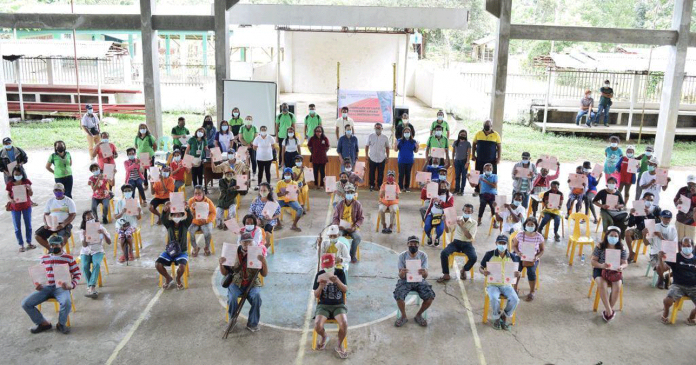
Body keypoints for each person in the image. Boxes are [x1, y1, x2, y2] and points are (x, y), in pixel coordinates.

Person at [21, 235, 80, 335]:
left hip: (61, 287)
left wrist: (71, 285)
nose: (54, 247)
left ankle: (61, 324)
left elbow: (77, 274)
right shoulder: (44, 258)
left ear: (62, 245)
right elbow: (40, 274)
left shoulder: (68, 258)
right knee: (26, 303)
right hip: (46, 287)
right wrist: (38, 284)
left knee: (66, 302)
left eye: (56, 245)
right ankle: (43, 323)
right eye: (52, 245)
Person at [219, 232, 268, 332]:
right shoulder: (232, 252)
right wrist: (221, 264)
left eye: (249, 242)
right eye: (244, 242)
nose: (247, 244)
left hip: (252, 283)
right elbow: (224, 273)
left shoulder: (257, 253)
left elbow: (264, 274)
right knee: (232, 298)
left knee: (257, 297)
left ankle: (252, 324)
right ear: (240, 242)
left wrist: (264, 262)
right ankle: (232, 322)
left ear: (252, 242)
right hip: (236, 282)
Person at [480, 235, 521, 330]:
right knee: (494, 298)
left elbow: (517, 272)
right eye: (500, 243)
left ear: (507, 244)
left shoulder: (512, 257)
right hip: (492, 284)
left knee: (515, 299)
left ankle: (505, 315)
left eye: (504, 243)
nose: (502, 245)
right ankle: (496, 317)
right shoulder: (489, 254)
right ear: (496, 243)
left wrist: (517, 274)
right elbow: (481, 267)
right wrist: (483, 272)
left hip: (506, 284)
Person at [394, 236, 435, 327]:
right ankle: (404, 316)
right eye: (411, 244)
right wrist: (402, 272)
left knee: (430, 296)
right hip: (405, 280)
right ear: (408, 244)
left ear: (418, 245)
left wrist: (424, 272)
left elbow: (426, 276)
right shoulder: (402, 256)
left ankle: (418, 315)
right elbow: (400, 276)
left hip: (419, 280)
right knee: (398, 295)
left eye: (415, 244)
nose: (413, 246)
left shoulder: (423, 255)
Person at [313, 253, 348, 358]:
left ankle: (339, 345)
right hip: (324, 305)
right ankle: (324, 337)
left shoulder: (340, 273)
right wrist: (320, 286)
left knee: (344, 324)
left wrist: (337, 281)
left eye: (330, 266)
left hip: (338, 305)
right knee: (317, 325)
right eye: (326, 267)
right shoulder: (320, 274)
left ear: (334, 264)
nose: (328, 268)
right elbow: (316, 294)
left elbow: (345, 290)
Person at [591, 226, 628, 322]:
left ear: (619, 237)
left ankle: (608, 311)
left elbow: (625, 263)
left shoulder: (621, 247)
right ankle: (609, 311)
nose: (613, 237)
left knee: (617, 287)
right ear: (607, 235)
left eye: (616, 236)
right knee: (602, 285)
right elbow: (593, 261)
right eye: (611, 235)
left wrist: (621, 267)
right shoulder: (600, 246)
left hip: (615, 270)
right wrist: (602, 265)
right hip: (600, 268)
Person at [657, 237, 696, 325]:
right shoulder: (675, 257)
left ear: (693, 246)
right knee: (667, 301)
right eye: (684, 246)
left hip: (693, 286)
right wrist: (660, 259)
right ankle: (665, 313)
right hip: (678, 285)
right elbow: (663, 269)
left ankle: (692, 316)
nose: (686, 247)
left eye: (688, 245)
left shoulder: (695, 259)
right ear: (681, 246)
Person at [437, 204, 478, 282]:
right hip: (456, 243)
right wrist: (445, 221)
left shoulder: (474, 223)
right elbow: (447, 230)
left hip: (467, 244)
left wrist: (462, 226)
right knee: (444, 253)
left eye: (469, 211)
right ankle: (446, 274)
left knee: (473, 257)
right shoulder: (457, 219)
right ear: (463, 210)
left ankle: (464, 270)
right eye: (465, 211)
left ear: (472, 212)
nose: (466, 212)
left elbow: (469, 236)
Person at [157, 202, 192, 290]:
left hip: (182, 251)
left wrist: (187, 208)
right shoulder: (169, 224)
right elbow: (163, 218)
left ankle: (178, 278)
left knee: (182, 266)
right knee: (158, 264)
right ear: (171, 216)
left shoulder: (185, 224)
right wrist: (165, 210)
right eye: (174, 215)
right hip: (169, 251)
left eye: (179, 214)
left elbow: (190, 217)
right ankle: (168, 278)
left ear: (182, 215)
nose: (176, 216)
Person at [78, 210, 111, 298]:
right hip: (86, 251)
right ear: (85, 220)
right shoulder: (82, 230)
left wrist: (103, 233)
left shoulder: (100, 228)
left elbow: (109, 242)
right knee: (85, 266)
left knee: (96, 264)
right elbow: (84, 245)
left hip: (98, 250)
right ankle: (91, 288)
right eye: (88, 219)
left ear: (95, 217)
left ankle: (91, 287)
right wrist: (85, 236)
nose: (90, 220)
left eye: (91, 218)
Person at [35, 183, 76, 249]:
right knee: (37, 235)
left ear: (63, 190)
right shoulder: (50, 201)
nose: (57, 192)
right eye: (56, 190)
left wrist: (63, 224)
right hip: (51, 224)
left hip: (64, 225)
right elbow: (46, 214)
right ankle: (51, 249)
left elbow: (73, 214)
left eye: (59, 190)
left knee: (63, 237)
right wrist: (46, 224)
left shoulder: (69, 201)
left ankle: (59, 250)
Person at [512, 217, 545, 301]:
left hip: (532, 258)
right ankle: (515, 289)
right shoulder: (520, 234)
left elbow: (542, 250)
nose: (530, 226)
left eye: (532, 225)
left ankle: (532, 291)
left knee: (531, 271)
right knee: (516, 270)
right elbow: (514, 246)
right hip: (519, 256)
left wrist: (536, 257)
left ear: (535, 226)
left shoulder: (539, 236)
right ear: (525, 225)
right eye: (528, 224)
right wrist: (518, 253)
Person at [332, 183, 364, 263]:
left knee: (357, 237)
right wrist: (338, 225)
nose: (349, 194)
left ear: (353, 193)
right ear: (345, 193)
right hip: (341, 227)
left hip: (352, 227)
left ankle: (352, 255)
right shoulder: (339, 204)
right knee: (337, 236)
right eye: (347, 192)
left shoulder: (358, 205)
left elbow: (361, 218)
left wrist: (355, 226)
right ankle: (339, 255)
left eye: (351, 192)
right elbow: (335, 218)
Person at [625, 192, 660, 263]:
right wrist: (631, 214)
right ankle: (631, 252)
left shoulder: (656, 209)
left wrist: (650, 215)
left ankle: (655, 256)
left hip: (652, 231)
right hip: (640, 230)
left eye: (651, 200)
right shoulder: (638, 208)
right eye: (647, 199)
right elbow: (630, 224)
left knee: (659, 239)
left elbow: (659, 222)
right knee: (627, 232)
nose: (649, 202)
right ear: (643, 200)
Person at [7, 165, 35, 251]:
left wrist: (29, 188)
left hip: (26, 206)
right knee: (17, 226)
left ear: (22, 174)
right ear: (13, 174)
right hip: (15, 207)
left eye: (19, 174)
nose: (17, 175)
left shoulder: (26, 182)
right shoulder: (10, 184)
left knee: (28, 225)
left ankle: (29, 242)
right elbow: (8, 194)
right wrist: (10, 200)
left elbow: (31, 194)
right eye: (16, 174)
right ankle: (21, 245)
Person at [648, 210, 678, 288]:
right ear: (660, 217)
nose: (667, 220)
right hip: (655, 253)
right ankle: (661, 278)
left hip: (668, 253)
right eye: (665, 217)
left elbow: (673, 244)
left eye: (669, 218)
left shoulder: (673, 228)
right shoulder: (654, 226)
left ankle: (666, 276)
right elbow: (646, 243)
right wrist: (645, 235)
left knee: (680, 265)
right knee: (658, 266)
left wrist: (661, 237)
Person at [471, 119, 502, 195]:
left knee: (492, 174)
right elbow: (474, 144)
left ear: (491, 126)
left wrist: (498, 158)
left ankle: (492, 190)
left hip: (491, 159)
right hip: (480, 158)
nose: (487, 127)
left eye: (488, 125)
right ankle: (477, 189)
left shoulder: (496, 135)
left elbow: (499, 147)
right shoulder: (478, 133)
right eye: (485, 125)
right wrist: (473, 155)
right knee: (478, 173)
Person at [114, 184, 141, 263]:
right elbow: (116, 217)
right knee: (122, 236)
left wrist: (138, 211)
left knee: (128, 235)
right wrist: (122, 212)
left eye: (129, 191)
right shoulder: (119, 202)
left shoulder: (136, 202)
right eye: (125, 191)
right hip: (120, 224)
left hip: (132, 224)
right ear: (123, 193)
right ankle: (124, 253)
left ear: (132, 192)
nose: (127, 192)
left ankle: (130, 252)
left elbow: (139, 218)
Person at [423, 180, 454, 247]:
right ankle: (429, 236)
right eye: (441, 186)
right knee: (427, 226)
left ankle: (437, 238)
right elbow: (424, 198)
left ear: (447, 187)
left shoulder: (450, 196)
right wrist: (426, 187)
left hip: (442, 216)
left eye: (444, 186)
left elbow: (450, 206)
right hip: (432, 214)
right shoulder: (435, 194)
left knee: (440, 229)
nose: (443, 188)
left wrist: (440, 202)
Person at [187, 186, 216, 257]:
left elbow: (213, 213)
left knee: (208, 232)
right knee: (190, 230)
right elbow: (186, 214)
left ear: (203, 193)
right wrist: (192, 208)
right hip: (195, 222)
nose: (197, 195)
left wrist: (207, 220)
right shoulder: (191, 201)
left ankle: (207, 247)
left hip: (205, 221)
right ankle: (195, 247)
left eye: (199, 193)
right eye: (195, 193)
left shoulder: (208, 201)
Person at [365, 123, 390, 191]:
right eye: (376, 128)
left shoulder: (385, 137)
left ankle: (379, 185)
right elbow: (367, 146)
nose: (378, 129)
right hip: (372, 158)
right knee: (371, 173)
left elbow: (387, 148)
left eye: (379, 128)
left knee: (381, 173)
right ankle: (372, 185)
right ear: (374, 128)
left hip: (381, 158)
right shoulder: (370, 136)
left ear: (382, 129)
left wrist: (388, 157)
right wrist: (366, 155)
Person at [674, 175, 696, 242]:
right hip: (680, 220)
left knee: (689, 242)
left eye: (693, 184)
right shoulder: (682, 190)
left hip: (691, 222)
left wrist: (694, 194)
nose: (691, 186)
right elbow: (675, 200)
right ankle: (680, 252)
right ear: (687, 183)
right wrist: (677, 202)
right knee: (679, 241)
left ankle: (689, 252)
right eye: (689, 184)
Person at [396, 126, 418, 192]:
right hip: (401, 160)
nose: (406, 133)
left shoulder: (413, 141)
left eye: (408, 132)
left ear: (410, 133)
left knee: (408, 174)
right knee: (401, 174)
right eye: (405, 132)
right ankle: (400, 187)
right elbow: (395, 149)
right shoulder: (399, 140)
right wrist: (395, 145)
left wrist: (417, 147)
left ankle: (407, 187)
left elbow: (415, 151)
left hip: (409, 160)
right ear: (403, 133)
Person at [134, 124, 156, 188]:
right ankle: (145, 184)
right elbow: (136, 146)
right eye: (141, 128)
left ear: (146, 129)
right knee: (144, 171)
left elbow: (155, 146)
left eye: (144, 128)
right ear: (139, 129)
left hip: (149, 156)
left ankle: (153, 185)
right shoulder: (137, 137)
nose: (142, 130)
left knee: (151, 170)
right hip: (141, 156)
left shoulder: (149, 137)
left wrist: (151, 153)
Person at [307, 125, 329, 190]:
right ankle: (316, 184)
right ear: (315, 132)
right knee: (315, 172)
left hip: (322, 158)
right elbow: (309, 146)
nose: (318, 132)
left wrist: (323, 152)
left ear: (322, 132)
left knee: (322, 172)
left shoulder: (325, 138)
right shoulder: (312, 138)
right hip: (315, 158)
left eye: (320, 131)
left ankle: (322, 185)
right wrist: (312, 152)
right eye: (317, 131)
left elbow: (327, 147)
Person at [476, 163, 498, 227]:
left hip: (492, 194)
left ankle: (495, 222)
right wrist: (469, 178)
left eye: (490, 169)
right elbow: (473, 185)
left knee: (493, 206)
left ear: (492, 169)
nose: (489, 170)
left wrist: (485, 181)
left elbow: (494, 186)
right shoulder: (480, 176)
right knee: (482, 204)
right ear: (484, 170)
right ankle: (479, 220)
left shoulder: (495, 176)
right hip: (483, 194)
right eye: (487, 169)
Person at [452, 129, 471, 196]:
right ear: (459, 135)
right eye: (461, 134)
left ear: (466, 136)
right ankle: (457, 189)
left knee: (463, 176)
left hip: (464, 161)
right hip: (457, 161)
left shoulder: (468, 143)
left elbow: (469, 154)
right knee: (457, 176)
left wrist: (467, 162)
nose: (462, 135)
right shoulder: (455, 142)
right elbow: (453, 152)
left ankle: (462, 190)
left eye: (464, 135)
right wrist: (452, 160)